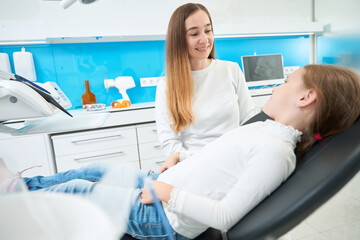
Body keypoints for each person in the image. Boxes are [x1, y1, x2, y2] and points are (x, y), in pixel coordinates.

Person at [1, 64, 359, 240]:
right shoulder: (265, 130)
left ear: (305, 97)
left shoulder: (276, 153)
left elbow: (225, 215)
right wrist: (179, 161)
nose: (278, 85)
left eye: (285, 81)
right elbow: (217, 161)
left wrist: (166, 192)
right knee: (91, 170)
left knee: (77, 191)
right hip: (164, 185)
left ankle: (13, 206)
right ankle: (22, 186)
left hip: (165, 218)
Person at [156, 3, 256, 172]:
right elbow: (169, 144)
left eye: (208, 30)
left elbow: (250, 122)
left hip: (236, 162)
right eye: (194, 33)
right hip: (194, 168)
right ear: (179, 39)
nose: (204, 39)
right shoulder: (167, 85)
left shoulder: (231, 70)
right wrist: (208, 161)